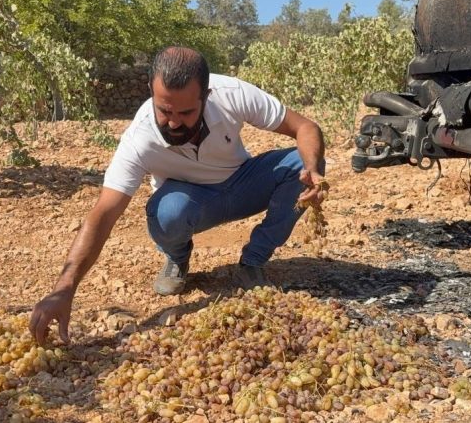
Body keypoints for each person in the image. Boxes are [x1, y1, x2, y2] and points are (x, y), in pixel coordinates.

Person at [29, 46, 326, 345]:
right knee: (168, 212)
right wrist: (64, 288)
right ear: (151, 91)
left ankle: (253, 262)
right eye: (165, 111)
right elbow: (103, 214)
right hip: (191, 202)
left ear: (206, 96)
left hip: (242, 183)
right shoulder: (139, 139)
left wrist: (312, 169)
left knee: (300, 163)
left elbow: (306, 127)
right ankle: (178, 259)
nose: (173, 122)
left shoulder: (232, 94)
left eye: (186, 113)